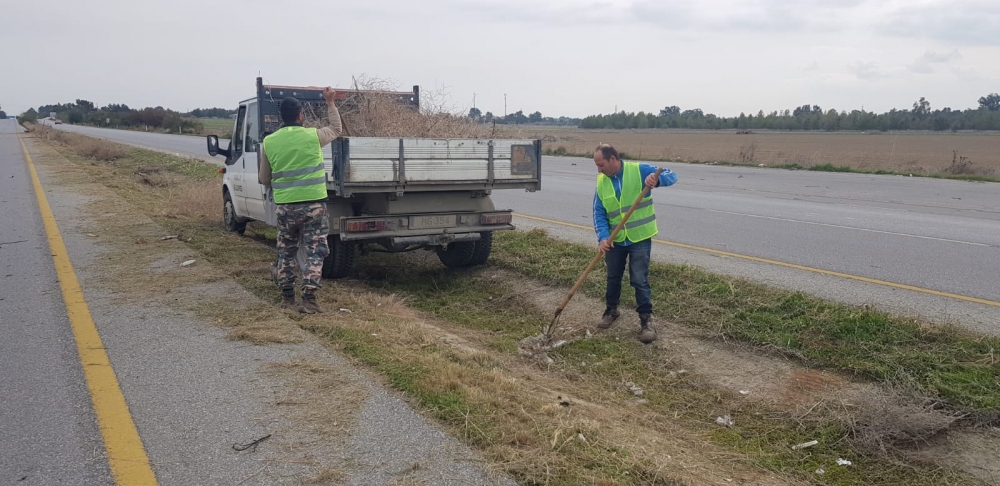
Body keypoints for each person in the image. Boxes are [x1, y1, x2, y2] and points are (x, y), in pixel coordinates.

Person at [259, 87, 342, 314]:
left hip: (285, 207)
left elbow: (264, 178)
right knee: (315, 252)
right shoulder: (313, 136)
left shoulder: (269, 142)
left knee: (286, 251)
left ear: (280, 117)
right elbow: (336, 128)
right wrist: (330, 102)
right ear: (301, 116)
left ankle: (287, 298)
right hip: (314, 206)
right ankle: (309, 300)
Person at [592, 143, 677, 343]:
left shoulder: (638, 170)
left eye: (601, 164)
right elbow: (599, 212)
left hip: (639, 237)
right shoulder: (602, 181)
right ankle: (611, 311)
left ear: (612, 159)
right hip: (615, 240)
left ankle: (646, 321)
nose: (599, 169)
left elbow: (672, 175)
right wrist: (603, 237)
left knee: (639, 279)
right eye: (597, 165)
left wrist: (657, 181)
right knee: (613, 277)